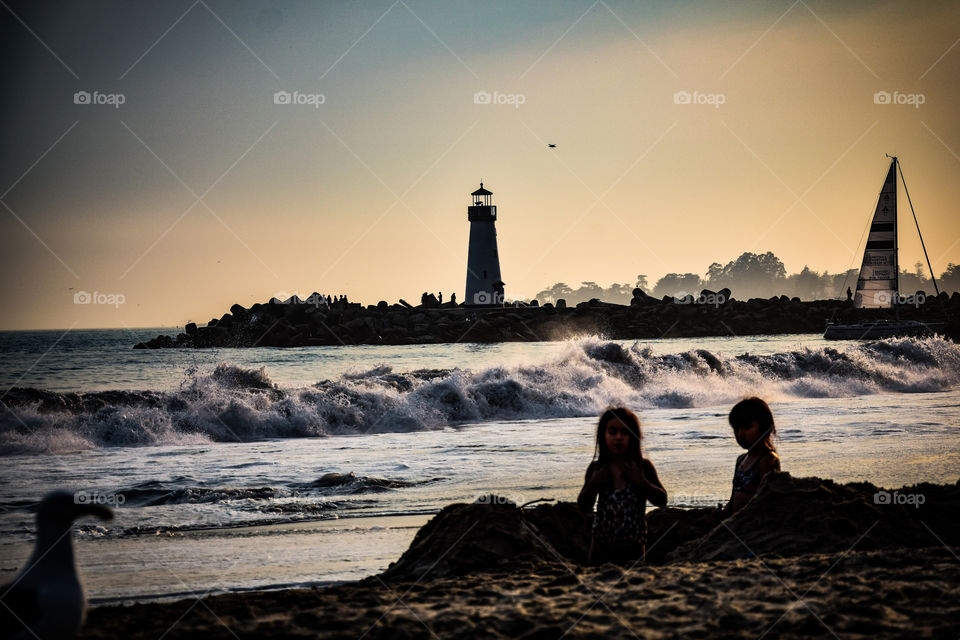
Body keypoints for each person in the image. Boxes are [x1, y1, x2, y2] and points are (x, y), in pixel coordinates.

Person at [577, 407, 667, 565]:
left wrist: (640, 481)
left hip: (634, 548)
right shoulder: (597, 469)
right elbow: (584, 505)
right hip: (601, 547)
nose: (619, 437)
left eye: (625, 433)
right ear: (602, 435)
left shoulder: (643, 467)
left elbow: (662, 500)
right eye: (612, 432)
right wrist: (594, 484)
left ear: (634, 437)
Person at [720, 397, 781, 517]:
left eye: (747, 427)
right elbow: (733, 499)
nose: (740, 434)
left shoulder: (767, 459)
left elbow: (768, 499)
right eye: (736, 429)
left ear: (765, 427)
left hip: (753, 521)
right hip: (737, 521)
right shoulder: (741, 460)